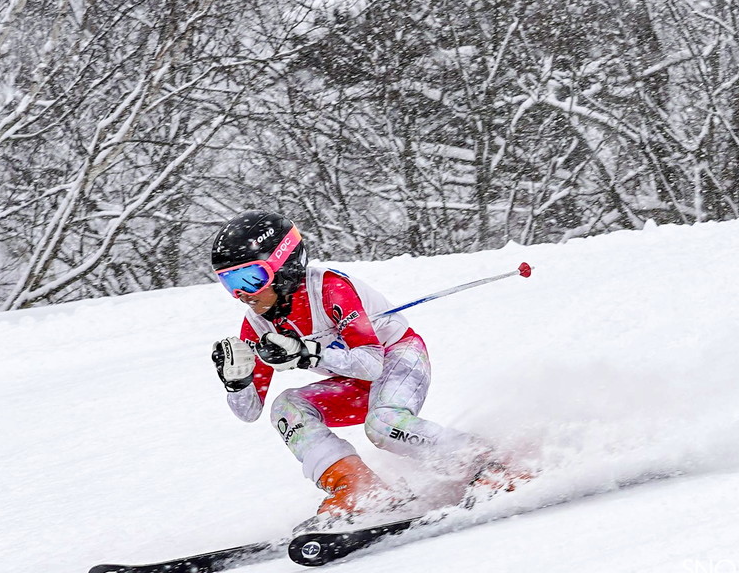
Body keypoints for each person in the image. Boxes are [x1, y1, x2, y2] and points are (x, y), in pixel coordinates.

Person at [209, 210, 531, 529]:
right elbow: (249, 412)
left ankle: (490, 465)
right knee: (287, 407)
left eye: (250, 278)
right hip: (353, 379)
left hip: (398, 357)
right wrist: (238, 383)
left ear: (285, 266)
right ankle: (360, 488)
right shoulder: (257, 323)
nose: (242, 295)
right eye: (228, 282)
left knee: (383, 425)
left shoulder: (330, 290)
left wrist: (309, 354)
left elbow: (372, 364)